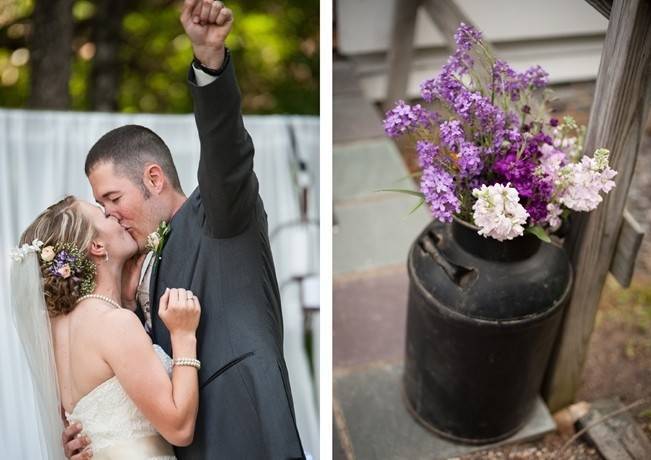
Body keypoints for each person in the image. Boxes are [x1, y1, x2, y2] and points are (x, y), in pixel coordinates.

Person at [64, 1, 305, 458]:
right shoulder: (120, 275)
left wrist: (209, 60)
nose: (110, 216)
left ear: (154, 178)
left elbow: (225, 146)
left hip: (247, 434)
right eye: (100, 207)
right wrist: (90, 431)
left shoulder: (218, 213)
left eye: (113, 199)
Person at [11, 196, 202, 459]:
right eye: (104, 215)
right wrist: (183, 335)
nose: (115, 216)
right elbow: (179, 429)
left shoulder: (55, 338)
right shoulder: (114, 324)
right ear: (97, 246)